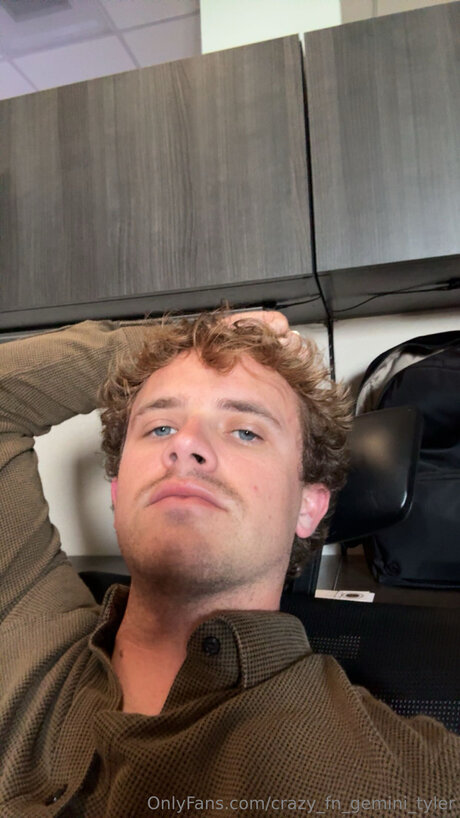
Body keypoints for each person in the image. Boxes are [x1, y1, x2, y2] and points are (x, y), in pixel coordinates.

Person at [0, 311, 458, 818]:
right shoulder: (29, 622)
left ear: (308, 505)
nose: (185, 444)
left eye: (245, 432)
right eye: (160, 426)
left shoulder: (411, 782)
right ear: (117, 489)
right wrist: (172, 342)